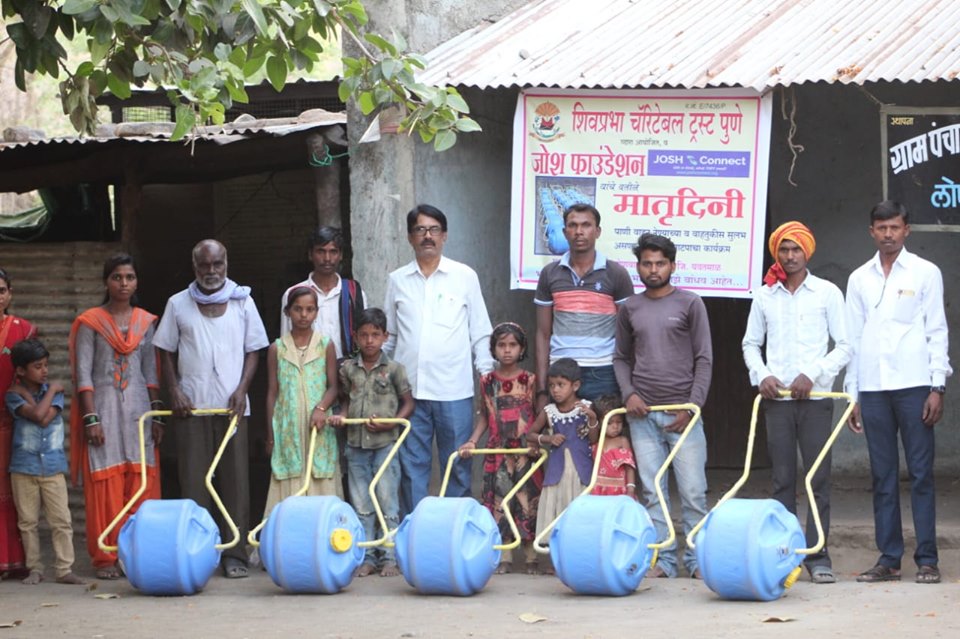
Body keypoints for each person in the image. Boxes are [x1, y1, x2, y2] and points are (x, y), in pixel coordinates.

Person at [845, 200, 952, 585]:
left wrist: (937, 385)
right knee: (883, 475)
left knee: (921, 474)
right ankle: (889, 559)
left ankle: (927, 559)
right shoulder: (859, 278)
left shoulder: (926, 273)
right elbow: (852, 340)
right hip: (873, 390)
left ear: (906, 230)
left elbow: (936, 330)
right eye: (881, 227)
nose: (888, 234)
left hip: (914, 386)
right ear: (871, 232)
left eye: (894, 227)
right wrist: (853, 394)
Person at [153, 239, 269, 579]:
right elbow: (165, 351)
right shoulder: (178, 304)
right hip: (192, 406)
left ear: (226, 263)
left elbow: (254, 350)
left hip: (232, 407)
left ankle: (234, 553)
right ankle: (198, 552)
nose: (211, 271)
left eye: (217, 264)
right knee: (194, 481)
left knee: (236, 480)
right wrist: (173, 390)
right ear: (195, 267)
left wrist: (242, 390)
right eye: (204, 265)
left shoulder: (243, 301)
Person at [742, 222, 850, 584]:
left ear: (807, 252)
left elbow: (846, 345)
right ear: (777, 253)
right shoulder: (764, 295)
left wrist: (813, 373)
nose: (789, 256)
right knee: (782, 480)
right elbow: (749, 345)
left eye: (796, 250)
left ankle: (818, 555)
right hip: (778, 402)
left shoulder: (827, 293)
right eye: (784, 250)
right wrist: (762, 376)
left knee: (817, 480)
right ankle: (785, 555)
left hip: (816, 399)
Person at [384, 204, 495, 514]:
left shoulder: (464, 276)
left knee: (457, 464)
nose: (427, 236)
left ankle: (453, 535)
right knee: (411, 468)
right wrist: (377, 373)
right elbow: (389, 336)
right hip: (410, 394)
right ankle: (417, 535)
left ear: (444, 236)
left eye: (434, 230)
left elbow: (480, 333)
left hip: (454, 391)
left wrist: (486, 379)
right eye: (420, 230)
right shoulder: (397, 280)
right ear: (410, 237)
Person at [613, 233, 712, 579]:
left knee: (693, 492)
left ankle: (699, 562)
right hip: (643, 416)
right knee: (653, 493)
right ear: (638, 266)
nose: (653, 270)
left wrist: (693, 407)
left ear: (672, 265)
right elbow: (621, 358)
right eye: (646, 263)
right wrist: (629, 395)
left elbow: (704, 359)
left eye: (660, 263)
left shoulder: (690, 303)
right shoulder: (630, 308)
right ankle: (663, 562)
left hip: (685, 416)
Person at [69, 254, 164, 580]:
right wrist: (90, 418)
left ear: (136, 282)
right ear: (106, 281)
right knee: (105, 482)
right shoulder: (89, 322)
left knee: (140, 481)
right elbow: (83, 375)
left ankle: (138, 554)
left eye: (130, 277)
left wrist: (159, 415)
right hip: (104, 411)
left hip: (139, 411)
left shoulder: (146, 322)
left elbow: (151, 373)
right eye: (117, 277)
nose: (124, 283)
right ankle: (106, 557)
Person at [330, 308, 414, 578]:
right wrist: (341, 416)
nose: (369, 341)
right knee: (362, 502)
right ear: (355, 337)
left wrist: (392, 422)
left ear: (385, 336)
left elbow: (408, 403)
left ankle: (389, 555)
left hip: (385, 445)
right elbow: (344, 401)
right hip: (355, 445)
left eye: (375, 335)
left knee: (388, 500)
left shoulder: (394, 369)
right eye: (364, 335)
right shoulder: (348, 369)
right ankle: (367, 555)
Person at [459, 322, 542, 575]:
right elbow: (485, 416)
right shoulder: (486, 381)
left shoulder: (530, 380)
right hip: (496, 451)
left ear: (522, 348)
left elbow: (538, 414)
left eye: (513, 345)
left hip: (525, 452)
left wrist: (537, 441)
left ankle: (531, 557)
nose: (507, 350)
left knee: (527, 502)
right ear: (493, 349)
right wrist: (473, 440)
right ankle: (504, 555)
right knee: (500, 502)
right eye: (501, 345)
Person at [534, 203, 635, 408]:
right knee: (564, 439)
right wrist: (542, 390)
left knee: (605, 438)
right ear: (564, 231)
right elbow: (543, 334)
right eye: (572, 225)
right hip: (560, 373)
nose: (579, 232)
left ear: (597, 231)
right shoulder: (550, 273)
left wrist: (628, 386)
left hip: (604, 371)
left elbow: (627, 334)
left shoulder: (616, 274)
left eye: (586, 225)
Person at [5, 338, 84, 585]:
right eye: (38, 366)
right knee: (27, 521)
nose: (45, 371)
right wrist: (52, 389)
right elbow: (39, 415)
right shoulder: (14, 396)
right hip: (23, 467)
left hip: (52, 467)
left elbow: (44, 416)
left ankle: (64, 569)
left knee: (61, 520)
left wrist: (46, 393)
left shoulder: (46, 396)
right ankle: (35, 568)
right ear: (20, 370)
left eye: (46, 365)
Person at [264, 287, 340, 519]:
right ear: (287, 312)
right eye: (298, 309)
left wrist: (321, 408)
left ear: (317, 312)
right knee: (288, 474)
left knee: (320, 474)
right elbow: (272, 393)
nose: (304, 315)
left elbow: (334, 386)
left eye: (309, 309)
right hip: (289, 430)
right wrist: (270, 435)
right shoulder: (277, 348)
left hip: (318, 427)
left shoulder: (325, 345)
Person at [526, 358, 599, 570]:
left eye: (561, 385)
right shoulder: (549, 412)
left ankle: (578, 560)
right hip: (557, 474)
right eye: (551, 385)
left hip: (580, 472)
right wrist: (548, 440)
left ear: (575, 385)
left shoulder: (585, 408)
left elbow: (593, 439)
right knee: (556, 512)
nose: (555, 390)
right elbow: (530, 435)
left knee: (579, 513)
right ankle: (557, 561)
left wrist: (593, 418)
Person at [279, 226, 367, 358]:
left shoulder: (354, 294)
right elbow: (285, 344)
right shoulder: (293, 294)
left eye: (333, 252)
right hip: (307, 375)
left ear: (341, 255)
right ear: (310, 254)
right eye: (320, 251)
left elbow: (365, 336)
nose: (327, 258)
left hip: (348, 373)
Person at [0, 267, 34, 578]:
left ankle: (14, 561)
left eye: (0, 290)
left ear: (9, 294)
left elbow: (35, 375)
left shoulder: (23, 330)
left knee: (13, 492)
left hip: (13, 424)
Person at [590, 395, 637, 499]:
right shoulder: (595, 441)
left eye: (618, 422)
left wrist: (630, 488)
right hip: (598, 489)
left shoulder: (622, 441)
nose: (615, 426)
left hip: (619, 489)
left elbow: (629, 467)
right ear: (599, 422)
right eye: (609, 423)